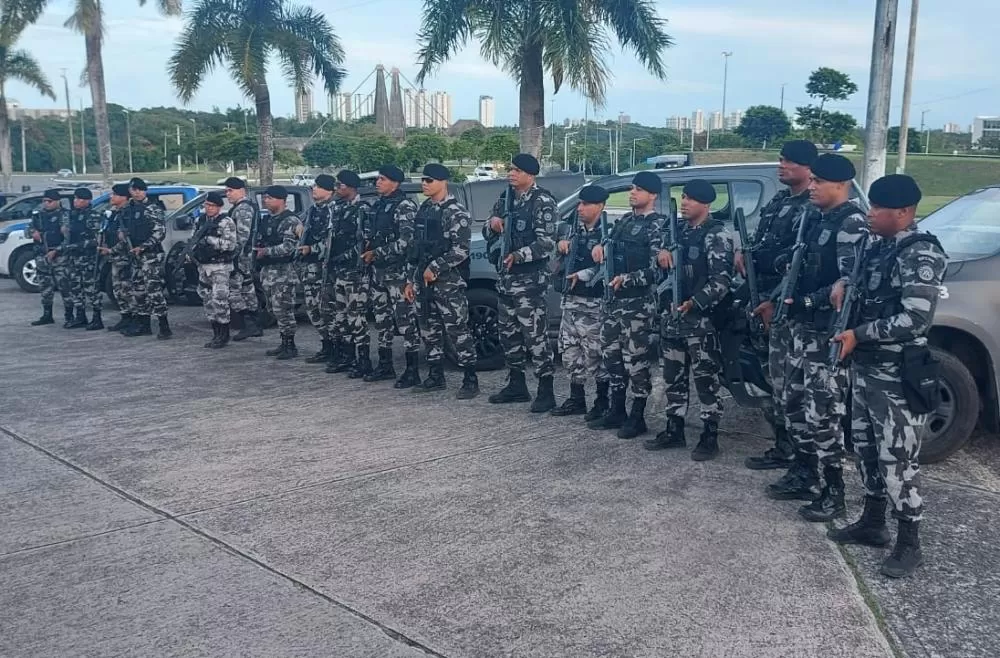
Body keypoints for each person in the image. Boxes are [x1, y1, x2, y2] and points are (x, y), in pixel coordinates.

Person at [828, 174, 946, 578]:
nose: (870, 214)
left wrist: (858, 334)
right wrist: (843, 283)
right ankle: (873, 522)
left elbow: (916, 317)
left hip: (896, 375)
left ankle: (909, 542)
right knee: (864, 448)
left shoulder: (920, 253)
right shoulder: (877, 248)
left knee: (897, 458)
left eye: (878, 209)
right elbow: (861, 289)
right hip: (865, 370)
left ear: (904, 213)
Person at [756, 154, 868, 520]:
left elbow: (851, 285)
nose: (813, 187)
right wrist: (776, 300)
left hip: (826, 335)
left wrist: (808, 299)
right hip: (799, 330)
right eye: (813, 180)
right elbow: (797, 268)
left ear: (841, 185)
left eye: (819, 182)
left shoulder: (851, 224)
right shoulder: (813, 218)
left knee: (824, 414)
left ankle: (833, 491)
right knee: (794, 403)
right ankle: (804, 472)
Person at [742, 140, 818, 471]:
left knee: (791, 384)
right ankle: (784, 445)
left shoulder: (812, 207)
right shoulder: (780, 200)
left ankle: (802, 455)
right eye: (780, 160)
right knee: (771, 379)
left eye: (788, 162)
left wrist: (774, 302)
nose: (781, 166)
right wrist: (743, 255)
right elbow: (763, 242)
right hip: (761, 297)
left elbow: (800, 265)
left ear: (807, 168)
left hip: (785, 305)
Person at [644, 180, 734, 459]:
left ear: (706, 204)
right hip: (671, 319)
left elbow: (722, 281)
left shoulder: (717, 234)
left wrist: (695, 303)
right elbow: (656, 261)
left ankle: (709, 434)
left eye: (691, 199)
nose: (684, 203)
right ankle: (674, 428)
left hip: (700, 322)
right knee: (673, 377)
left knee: (706, 379)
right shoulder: (676, 232)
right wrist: (660, 254)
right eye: (683, 198)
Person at [587, 173, 664, 437]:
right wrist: (600, 248)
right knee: (611, 356)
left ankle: (638, 414)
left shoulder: (658, 226)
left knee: (637, 360)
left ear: (652, 195)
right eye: (632, 188)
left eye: (639, 189)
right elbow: (610, 248)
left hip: (638, 304)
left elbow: (658, 270)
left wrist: (628, 279)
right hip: (613, 302)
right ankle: (616, 409)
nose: (633, 193)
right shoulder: (623, 223)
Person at [482, 153, 558, 412]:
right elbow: (487, 229)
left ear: (530, 174)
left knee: (535, 337)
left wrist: (518, 255)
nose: (510, 173)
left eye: (516, 170)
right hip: (506, 281)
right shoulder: (505, 198)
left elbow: (546, 243)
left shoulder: (542, 202)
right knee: (508, 335)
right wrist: (492, 224)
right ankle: (517, 385)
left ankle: (546, 390)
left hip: (529, 282)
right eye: (510, 168)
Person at [403, 163, 479, 398]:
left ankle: (470, 378)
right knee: (428, 328)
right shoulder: (424, 209)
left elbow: (461, 249)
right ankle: (435, 375)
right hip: (423, 282)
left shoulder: (456, 212)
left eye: (429, 180)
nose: (424, 184)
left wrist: (435, 268)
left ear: (442, 182)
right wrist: (410, 280)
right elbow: (414, 249)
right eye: (423, 180)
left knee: (458, 330)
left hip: (449, 283)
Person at [550, 184, 610, 420]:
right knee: (569, 352)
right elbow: (557, 260)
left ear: (600, 206)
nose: (580, 208)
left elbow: (607, 267)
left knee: (595, 353)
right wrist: (561, 246)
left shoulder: (608, 234)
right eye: (580, 203)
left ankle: (602, 401)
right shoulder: (573, 231)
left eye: (586, 204)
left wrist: (585, 273)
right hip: (570, 304)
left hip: (593, 304)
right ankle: (576, 399)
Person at [360, 165, 420, 386]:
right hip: (379, 272)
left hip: (399, 273)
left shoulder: (404, 206)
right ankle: (385, 366)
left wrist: (377, 252)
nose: (378, 183)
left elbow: (407, 242)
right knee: (382, 321)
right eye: (378, 179)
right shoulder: (379, 206)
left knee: (406, 323)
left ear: (395, 182)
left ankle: (412, 370)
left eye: (383, 179)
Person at [325, 170, 372, 377]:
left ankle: (363, 361)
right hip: (339, 272)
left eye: (340, 186)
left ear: (351, 187)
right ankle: (347, 357)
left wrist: (344, 257)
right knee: (341, 316)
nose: (336, 189)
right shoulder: (338, 208)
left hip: (356, 272)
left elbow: (364, 242)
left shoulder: (363, 209)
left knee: (356, 317)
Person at [255, 186, 303, 359]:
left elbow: (290, 247)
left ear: (281, 200)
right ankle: (283, 342)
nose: (266, 200)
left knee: (284, 309)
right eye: (265, 198)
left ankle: (290, 345)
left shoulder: (290, 220)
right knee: (273, 309)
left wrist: (266, 251)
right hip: (268, 271)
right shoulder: (267, 220)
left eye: (269, 198)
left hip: (283, 272)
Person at [122, 178, 172, 339]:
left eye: (140, 190)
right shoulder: (128, 209)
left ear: (145, 191)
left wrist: (143, 247)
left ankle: (164, 326)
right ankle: (144, 324)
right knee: (138, 290)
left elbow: (160, 232)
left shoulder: (152, 208)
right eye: (134, 190)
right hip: (134, 254)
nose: (137, 192)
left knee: (153, 289)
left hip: (150, 254)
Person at [296, 174, 338, 361]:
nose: (314, 189)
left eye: (318, 187)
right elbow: (300, 227)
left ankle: (336, 347)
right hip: (308, 266)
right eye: (314, 186)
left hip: (324, 267)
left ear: (329, 190)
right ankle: (326, 344)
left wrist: (312, 248)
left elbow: (332, 241)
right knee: (313, 309)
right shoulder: (313, 210)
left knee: (327, 309)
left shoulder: (333, 210)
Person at [190, 192, 238, 348]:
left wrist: (210, 240)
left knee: (220, 299)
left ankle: (224, 335)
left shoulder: (226, 222)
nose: (208, 208)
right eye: (206, 205)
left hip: (220, 266)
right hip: (204, 266)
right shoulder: (200, 220)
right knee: (207, 299)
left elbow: (230, 245)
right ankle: (216, 333)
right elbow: (193, 240)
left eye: (212, 206)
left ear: (219, 207)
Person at [225, 177, 263, 342]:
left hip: (240, 257)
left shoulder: (243, 209)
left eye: (230, 190)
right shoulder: (245, 207)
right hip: (245, 256)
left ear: (241, 190)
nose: (227, 194)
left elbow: (242, 236)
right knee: (248, 290)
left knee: (233, 291)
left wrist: (229, 254)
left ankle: (249, 323)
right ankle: (254, 324)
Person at [61, 188, 104, 329]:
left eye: (79, 199)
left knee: (91, 289)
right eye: (75, 198)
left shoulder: (94, 216)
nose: (75, 201)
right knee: (75, 288)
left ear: (87, 201)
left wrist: (78, 245)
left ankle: (97, 318)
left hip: (88, 259)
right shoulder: (71, 215)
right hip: (73, 258)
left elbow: (97, 239)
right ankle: (80, 316)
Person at [28, 189, 71, 326]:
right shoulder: (38, 216)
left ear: (57, 201)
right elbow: (28, 229)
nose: (46, 204)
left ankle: (69, 315)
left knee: (65, 286)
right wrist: (33, 232)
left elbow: (69, 239)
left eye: (49, 201)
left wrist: (57, 251)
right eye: (44, 201)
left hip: (60, 257)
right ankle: (47, 315)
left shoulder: (65, 215)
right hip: (42, 255)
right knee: (45, 287)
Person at [99, 184, 136, 332]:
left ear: (123, 197)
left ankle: (135, 319)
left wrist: (111, 250)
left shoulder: (129, 213)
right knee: (118, 290)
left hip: (125, 257)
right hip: (115, 257)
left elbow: (127, 239)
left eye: (114, 194)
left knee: (128, 290)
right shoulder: (115, 213)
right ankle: (125, 317)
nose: (111, 197)